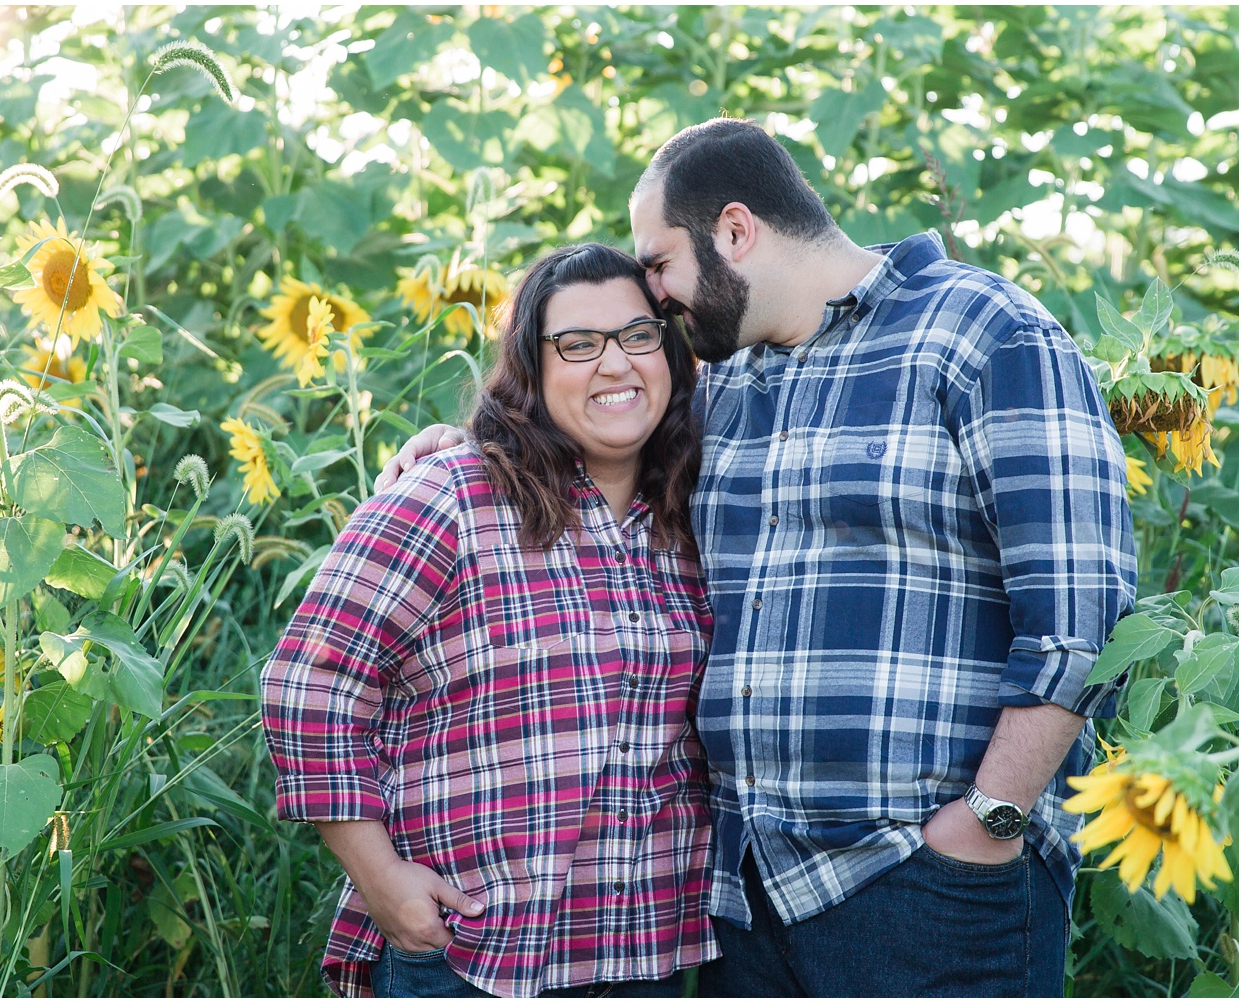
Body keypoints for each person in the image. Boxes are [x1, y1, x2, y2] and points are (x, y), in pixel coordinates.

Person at [378, 118, 1137, 997]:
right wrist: (465, 444)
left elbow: (1086, 615)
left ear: (735, 232)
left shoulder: (986, 335)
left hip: (924, 878)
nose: (653, 295)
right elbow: (591, 433)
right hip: (748, 891)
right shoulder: (724, 381)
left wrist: (987, 821)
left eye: (659, 263)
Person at [262, 242, 719, 998]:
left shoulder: (689, 518)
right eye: (577, 344)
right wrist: (382, 880)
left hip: (647, 956)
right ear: (531, 368)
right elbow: (309, 684)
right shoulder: (453, 493)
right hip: (473, 950)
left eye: (639, 336)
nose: (616, 363)